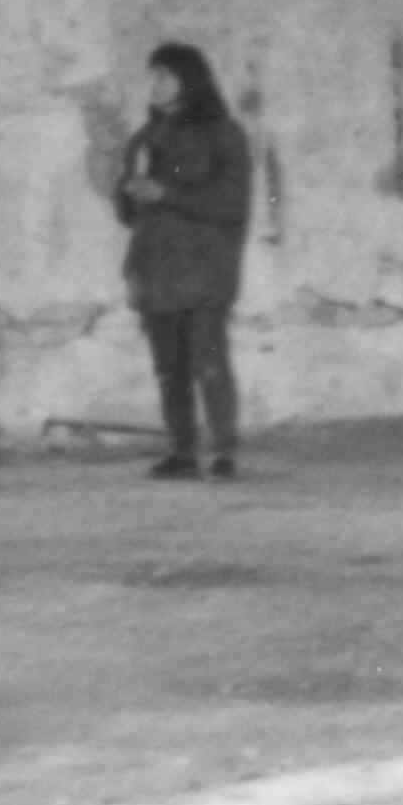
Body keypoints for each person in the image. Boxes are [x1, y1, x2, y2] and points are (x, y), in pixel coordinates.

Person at [116, 41, 253, 480]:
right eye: (152, 77)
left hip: (204, 270)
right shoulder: (145, 138)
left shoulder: (224, 134)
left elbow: (232, 202)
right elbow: (128, 215)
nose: (154, 85)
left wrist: (167, 193)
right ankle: (182, 452)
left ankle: (223, 451)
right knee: (168, 369)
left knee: (209, 363)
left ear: (189, 80)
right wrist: (130, 190)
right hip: (155, 271)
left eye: (163, 76)